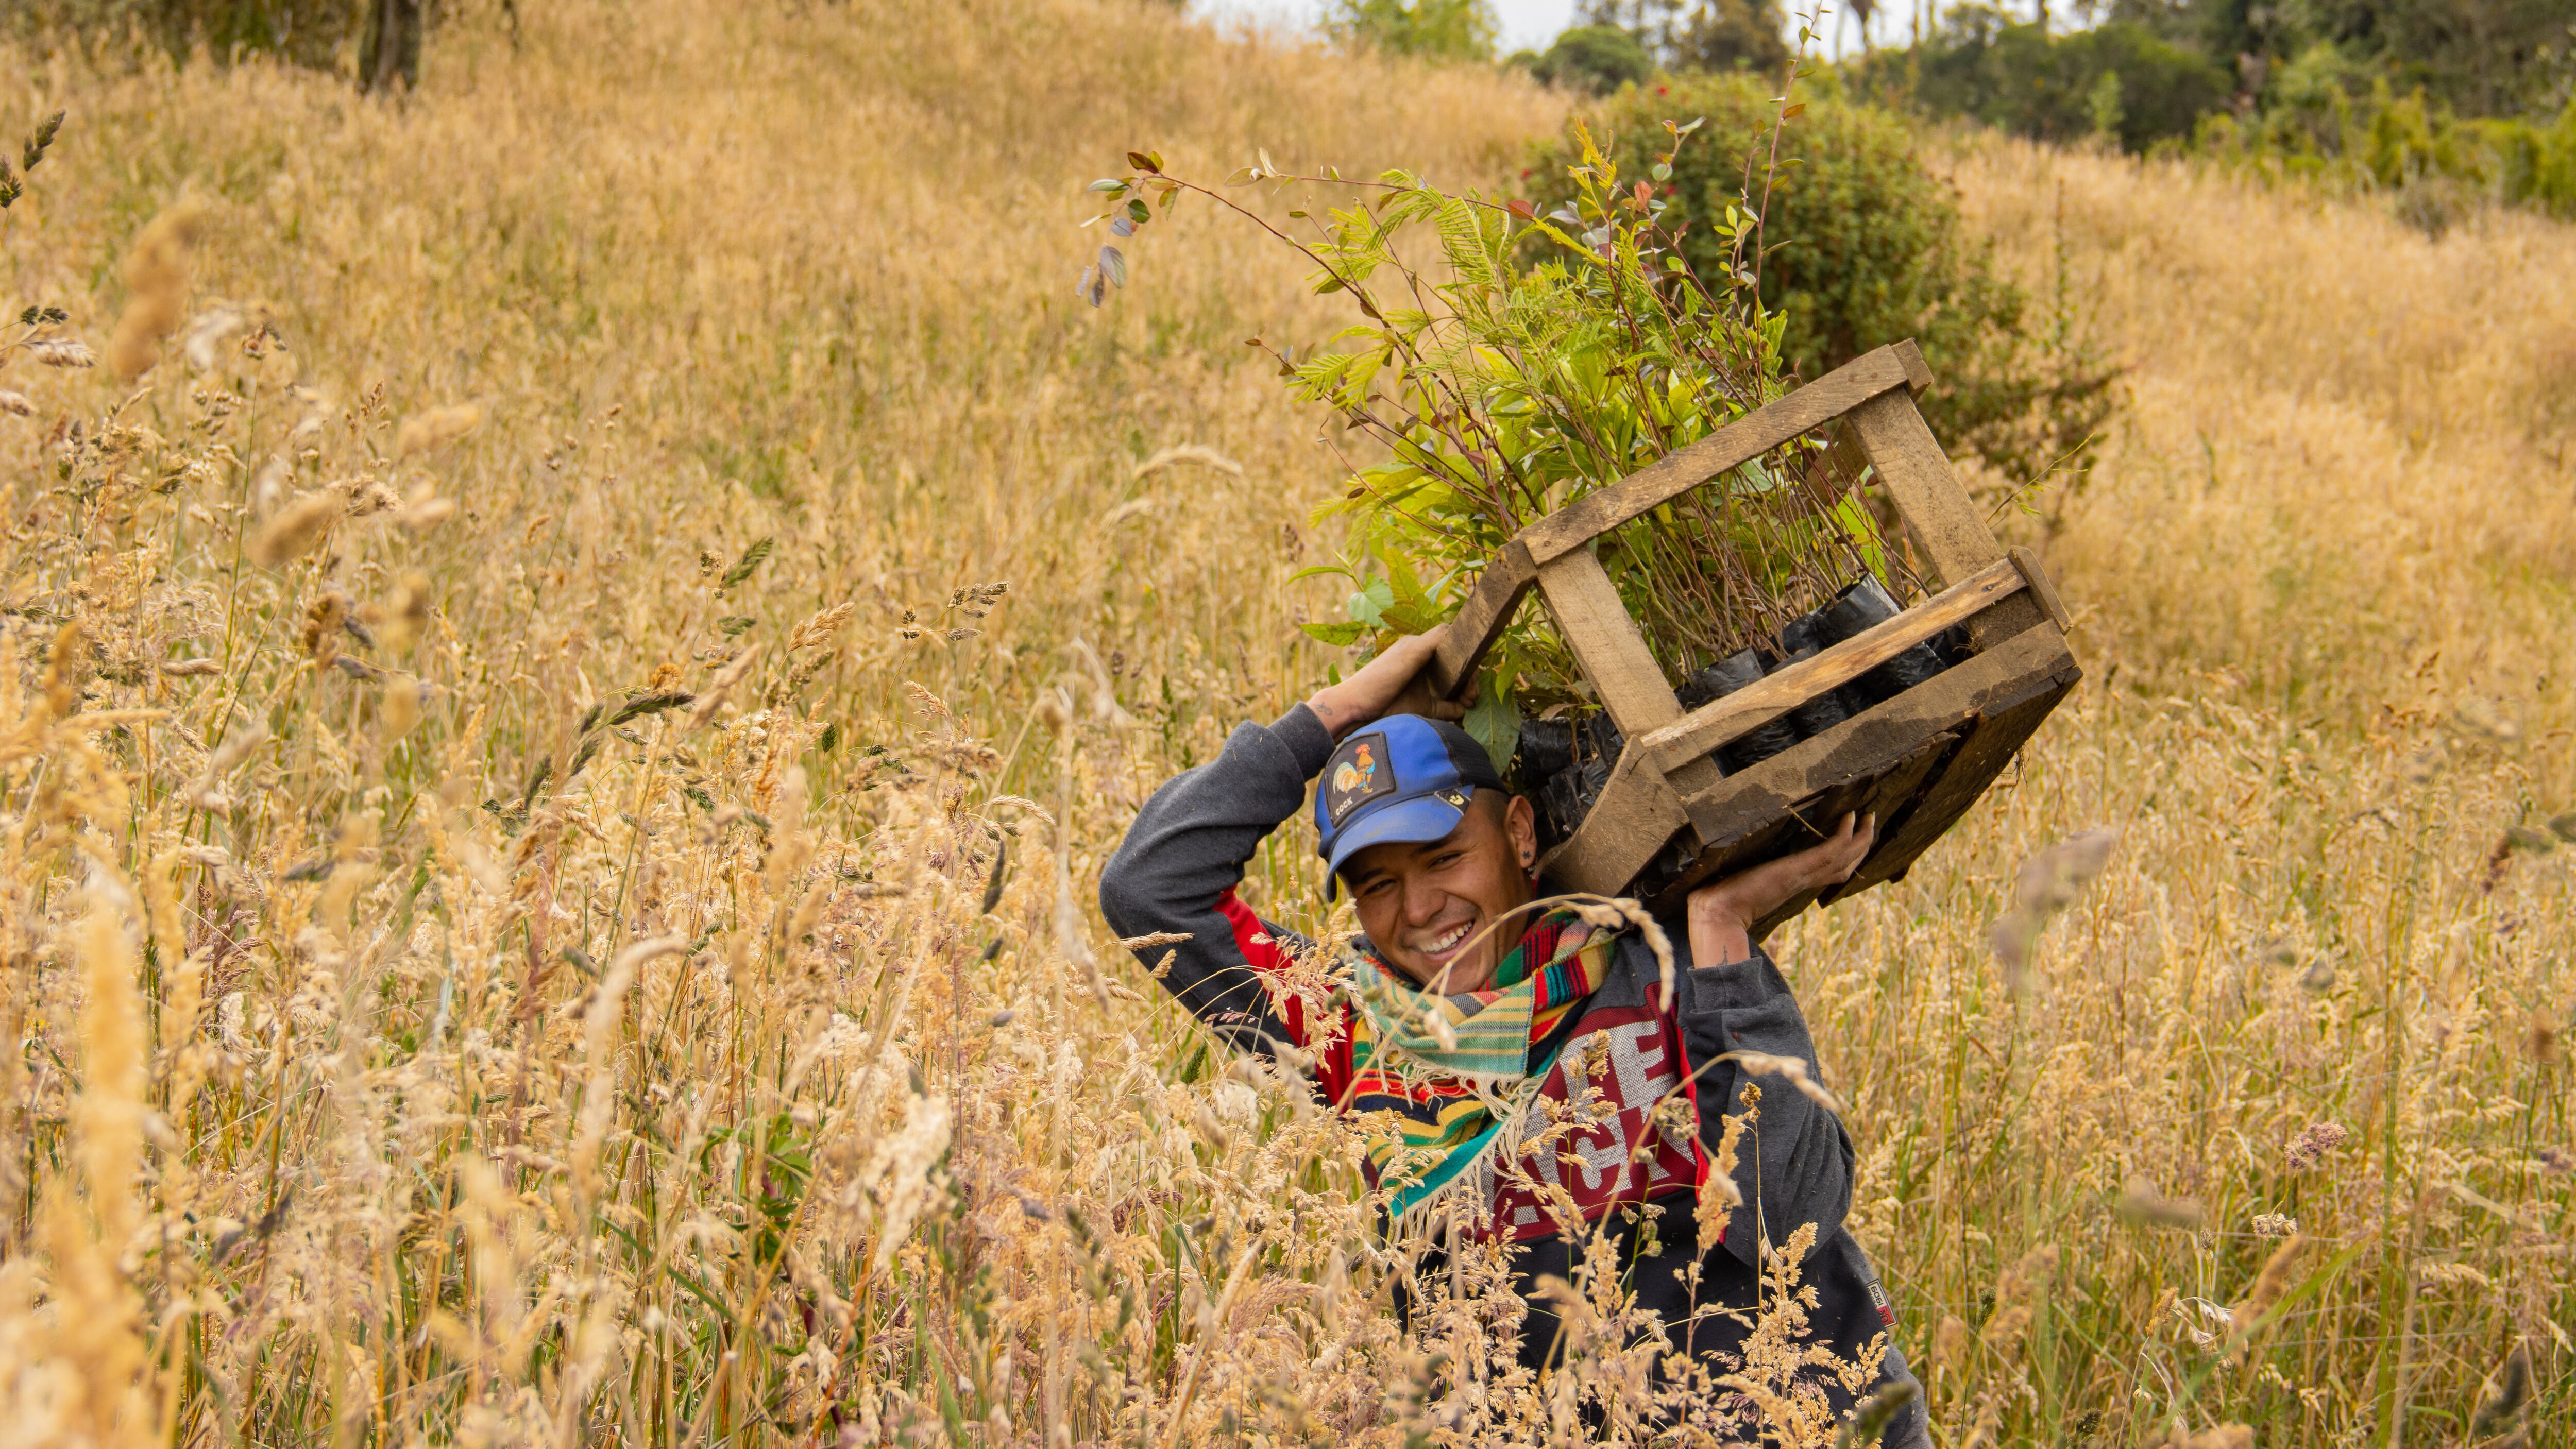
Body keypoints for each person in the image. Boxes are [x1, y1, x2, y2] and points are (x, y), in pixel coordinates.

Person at [1098, 627, 1929, 1446]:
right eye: (1377, 884)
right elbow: (1151, 887)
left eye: (1443, 858)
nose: (1419, 909)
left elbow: (1792, 1219)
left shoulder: (1654, 958)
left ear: (1520, 833)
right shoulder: (1349, 1027)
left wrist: (1721, 933)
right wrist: (1335, 714)